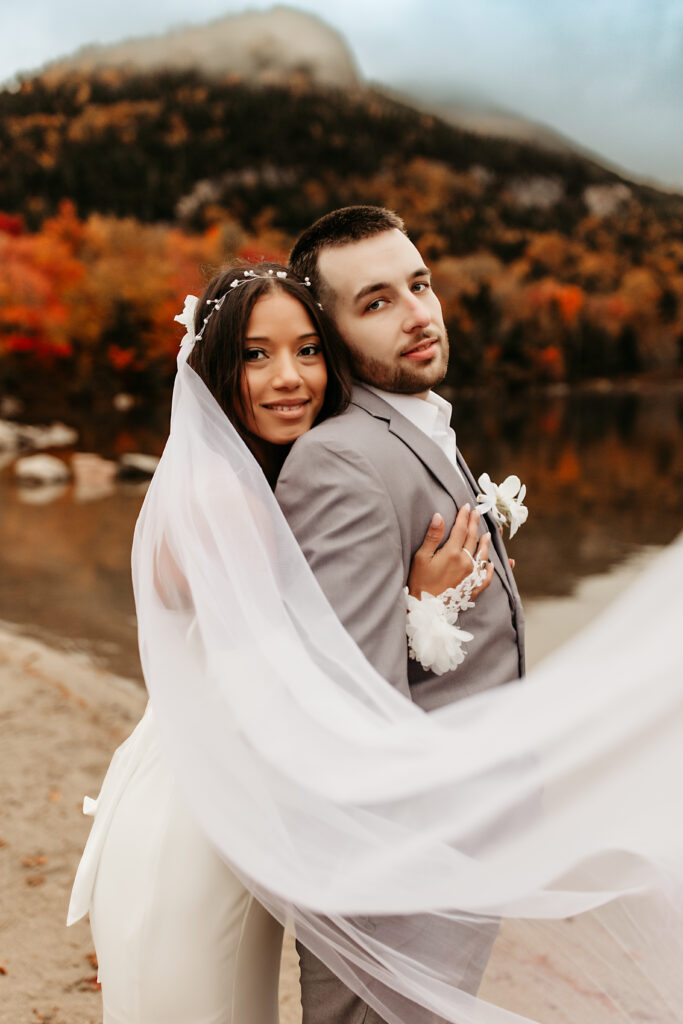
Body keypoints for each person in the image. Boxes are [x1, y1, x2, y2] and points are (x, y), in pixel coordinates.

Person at [67, 262, 494, 1024]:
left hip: (216, 808)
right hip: (194, 834)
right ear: (215, 367)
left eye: (307, 350)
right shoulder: (224, 497)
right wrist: (420, 610)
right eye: (257, 355)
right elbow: (285, 690)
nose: (288, 377)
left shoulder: (247, 479)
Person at [278, 206, 525, 1023]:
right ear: (333, 334)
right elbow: (344, 699)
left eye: (418, 284)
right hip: (397, 857)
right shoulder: (337, 459)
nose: (418, 313)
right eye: (375, 302)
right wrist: (432, 607)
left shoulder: (418, 427)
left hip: (461, 833)